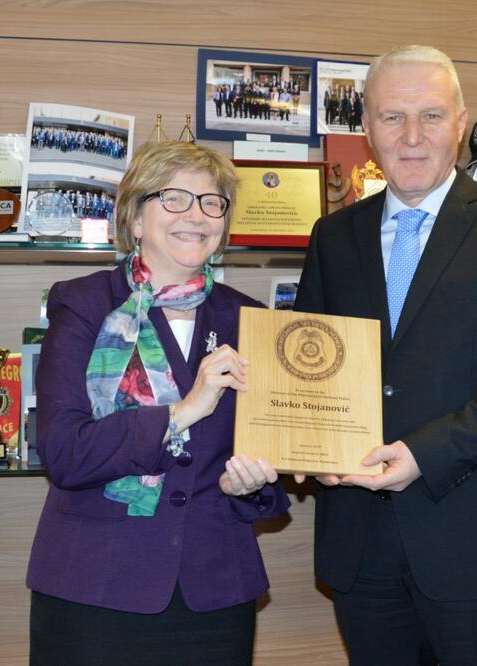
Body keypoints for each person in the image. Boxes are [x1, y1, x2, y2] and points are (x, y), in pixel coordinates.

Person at [294, 44, 477, 665]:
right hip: (359, 540)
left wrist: (425, 452)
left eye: (431, 115)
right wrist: (305, 441)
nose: (412, 136)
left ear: (460, 121)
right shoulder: (333, 236)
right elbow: (309, 367)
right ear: (366, 128)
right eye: (393, 117)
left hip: (473, 543)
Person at [26, 140, 290, 666]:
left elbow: (264, 462)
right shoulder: (83, 304)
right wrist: (183, 410)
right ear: (135, 217)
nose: (196, 215)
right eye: (174, 199)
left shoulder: (251, 319)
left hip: (212, 589)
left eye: (212, 202)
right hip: (96, 586)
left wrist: (253, 484)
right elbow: (63, 451)